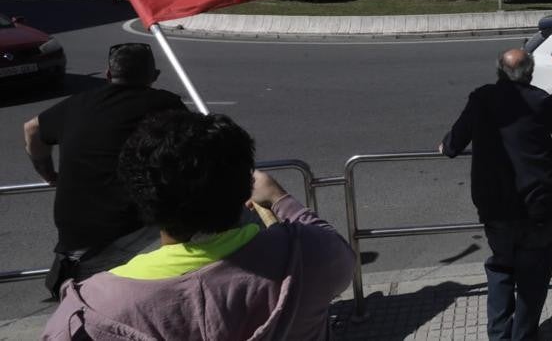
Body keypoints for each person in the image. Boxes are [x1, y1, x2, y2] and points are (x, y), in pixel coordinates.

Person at [43, 111, 354, 340]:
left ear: (140, 196)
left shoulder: (91, 309)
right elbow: (332, 244)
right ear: (242, 187)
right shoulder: (310, 256)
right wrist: (279, 198)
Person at [439, 48, 552, 341]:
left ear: (499, 72)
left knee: (501, 268)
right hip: (538, 206)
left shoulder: (481, 98)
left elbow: (453, 143)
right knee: (533, 278)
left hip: (495, 207)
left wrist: (445, 146)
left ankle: (499, 335)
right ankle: (523, 335)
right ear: (530, 73)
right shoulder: (541, 100)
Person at [22, 43, 187, 297]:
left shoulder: (78, 103)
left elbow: (32, 129)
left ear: (108, 74)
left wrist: (47, 173)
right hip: (120, 228)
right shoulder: (165, 103)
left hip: (74, 231)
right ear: (153, 76)